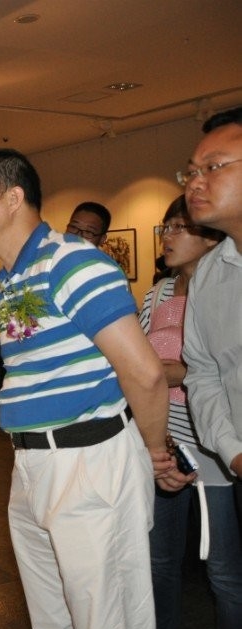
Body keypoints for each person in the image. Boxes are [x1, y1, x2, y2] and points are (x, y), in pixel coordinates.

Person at [0, 148, 175, 629]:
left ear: (13, 198)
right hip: (31, 462)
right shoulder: (7, 278)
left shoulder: (73, 263)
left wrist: (153, 450)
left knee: (106, 618)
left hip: (88, 459)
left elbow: (144, 373)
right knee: (52, 617)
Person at [140, 195, 240, 629]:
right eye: (166, 227)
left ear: (210, 237)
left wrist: (174, 373)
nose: (168, 237)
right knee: (159, 560)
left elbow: (221, 368)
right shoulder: (158, 292)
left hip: (216, 444)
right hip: (166, 438)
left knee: (223, 568)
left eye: (179, 227)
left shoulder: (225, 290)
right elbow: (140, 358)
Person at [183, 107, 242, 544]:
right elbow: (203, 372)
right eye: (190, 172)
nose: (194, 183)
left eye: (213, 167)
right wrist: (233, 453)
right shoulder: (209, 273)